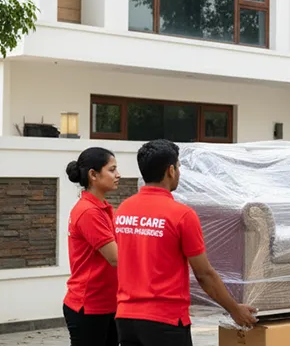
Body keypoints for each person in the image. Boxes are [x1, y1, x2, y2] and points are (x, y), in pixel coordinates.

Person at [114, 139, 257, 346]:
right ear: (170, 170)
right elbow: (204, 274)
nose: (179, 172)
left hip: (127, 318)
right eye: (179, 166)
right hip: (165, 322)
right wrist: (235, 309)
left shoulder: (124, 209)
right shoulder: (181, 215)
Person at [63, 147, 121, 346]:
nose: (118, 175)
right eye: (112, 170)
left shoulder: (101, 208)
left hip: (106, 304)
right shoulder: (89, 212)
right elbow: (116, 258)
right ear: (93, 175)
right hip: (90, 306)